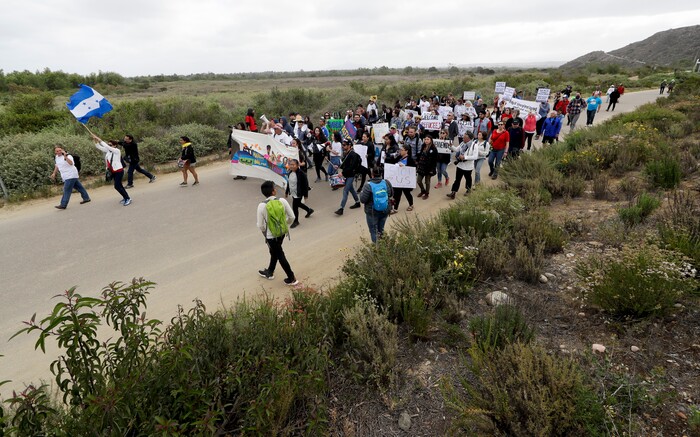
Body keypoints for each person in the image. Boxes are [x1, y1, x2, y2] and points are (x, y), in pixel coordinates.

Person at [256, 180, 298, 285]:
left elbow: (260, 225)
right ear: (274, 191)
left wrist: (265, 233)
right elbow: (292, 217)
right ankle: (270, 271)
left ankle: (292, 278)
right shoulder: (282, 201)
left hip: (271, 236)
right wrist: (284, 224)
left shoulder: (261, 206)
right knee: (274, 251)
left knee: (279, 254)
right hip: (282, 233)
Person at [92, 134, 132, 205]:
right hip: (112, 171)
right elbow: (98, 147)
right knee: (119, 185)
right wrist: (95, 140)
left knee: (117, 186)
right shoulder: (108, 151)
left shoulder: (117, 151)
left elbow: (106, 146)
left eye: (110, 145)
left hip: (118, 171)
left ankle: (128, 198)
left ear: (114, 146)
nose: (108, 146)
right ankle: (125, 197)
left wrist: (99, 138)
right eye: (108, 144)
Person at [359, 166, 394, 243]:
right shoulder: (386, 182)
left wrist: (361, 193)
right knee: (381, 229)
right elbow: (391, 194)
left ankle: (377, 250)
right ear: (381, 174)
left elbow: (363, 200)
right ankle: (383, 245)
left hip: (372, 212)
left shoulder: (368, 186)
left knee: (374, 231)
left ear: (372, 175)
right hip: (385, 210)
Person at [447, 131, 479, 199]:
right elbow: (456, 149)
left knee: (468, 179)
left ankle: (468, 189)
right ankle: (453, 192)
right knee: (457, 179)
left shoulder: (474, 146)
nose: (463, 139)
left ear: (469, 138)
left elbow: (475, 157)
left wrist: (465, 157)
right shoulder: (462, 143)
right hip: (460, 165)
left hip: (468, 167)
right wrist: (451, 146)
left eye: (464, 138)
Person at [334, 139, 362, 215]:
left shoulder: (353, 155)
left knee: (345, 191)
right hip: (347, 174)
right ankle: (357, 202)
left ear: (349, 145)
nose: (343, 146)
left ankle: (341, 208)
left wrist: (342, 173)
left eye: (344, 145)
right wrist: (338, 167)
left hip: (351, 175)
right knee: (351, 189)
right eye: (342, 145)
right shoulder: (346, 153)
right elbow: (344, 165)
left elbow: (351, 167)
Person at [285, 159, 313, 228]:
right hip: (293, 192)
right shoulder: (290, 173)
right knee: (298, 204)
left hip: (299, 193)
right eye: (290, 164)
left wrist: (306, 195)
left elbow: (306, 184)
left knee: (295, 207)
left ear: (297, 165)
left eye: (293, 165)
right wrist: (286, 191)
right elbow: (289, 183)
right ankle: (309, 210)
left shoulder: (301, 174)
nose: (291, 166)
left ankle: (296, 221)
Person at [390, 144, 415, 214]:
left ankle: (411, 204)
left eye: (402, 150)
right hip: (398, 180)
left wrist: (404, 167)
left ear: (406, 151)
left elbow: (413, 169)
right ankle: (395, 208)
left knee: (407, 193)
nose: (400, 151)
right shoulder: (399, 157)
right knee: (396, 194)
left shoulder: (410, 159)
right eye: (400, 150)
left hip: (405, 181)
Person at [416, 134, 438, 199]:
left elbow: (435, 160)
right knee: (419, 181)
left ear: (431, 140)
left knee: (427, 182)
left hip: (429, 168)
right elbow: (420, 155)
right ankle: (423, 190)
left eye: (428, 139)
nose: (426, 141)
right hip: (421, 166)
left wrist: (432, 169)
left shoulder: (433, 149)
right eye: (425, 139)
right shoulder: (423, 146)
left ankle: (427, 193)